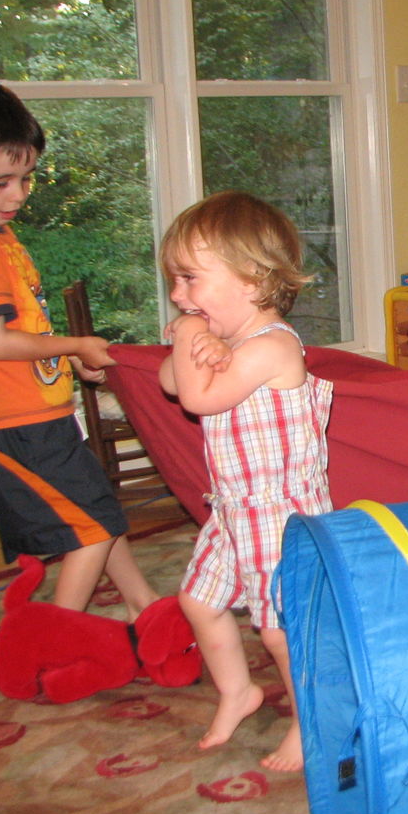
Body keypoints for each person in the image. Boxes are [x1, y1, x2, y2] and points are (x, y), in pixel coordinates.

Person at [0, 79, 160, 621]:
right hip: (15, 419)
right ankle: (56, 632)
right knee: (91, 525)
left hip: (37, 411)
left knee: (94, 511)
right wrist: (77, 341)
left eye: (26, 179)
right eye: (1, 181)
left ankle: (142, 601)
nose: (18, 195)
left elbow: (23, 333)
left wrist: (67, 356)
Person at [156, 190, 333, 768]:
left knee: (281, 631)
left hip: (282, 518)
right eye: (174, 282)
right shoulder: (230, 341)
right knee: (198, 600)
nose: (178, 297)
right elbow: (168, 381)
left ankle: (313, 721)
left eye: (189, 280)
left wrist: (188, 340)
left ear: (253, 281)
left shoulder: (275, 347)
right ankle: (240, 691)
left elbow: (199, 398)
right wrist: (197, 343)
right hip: (234, 509)